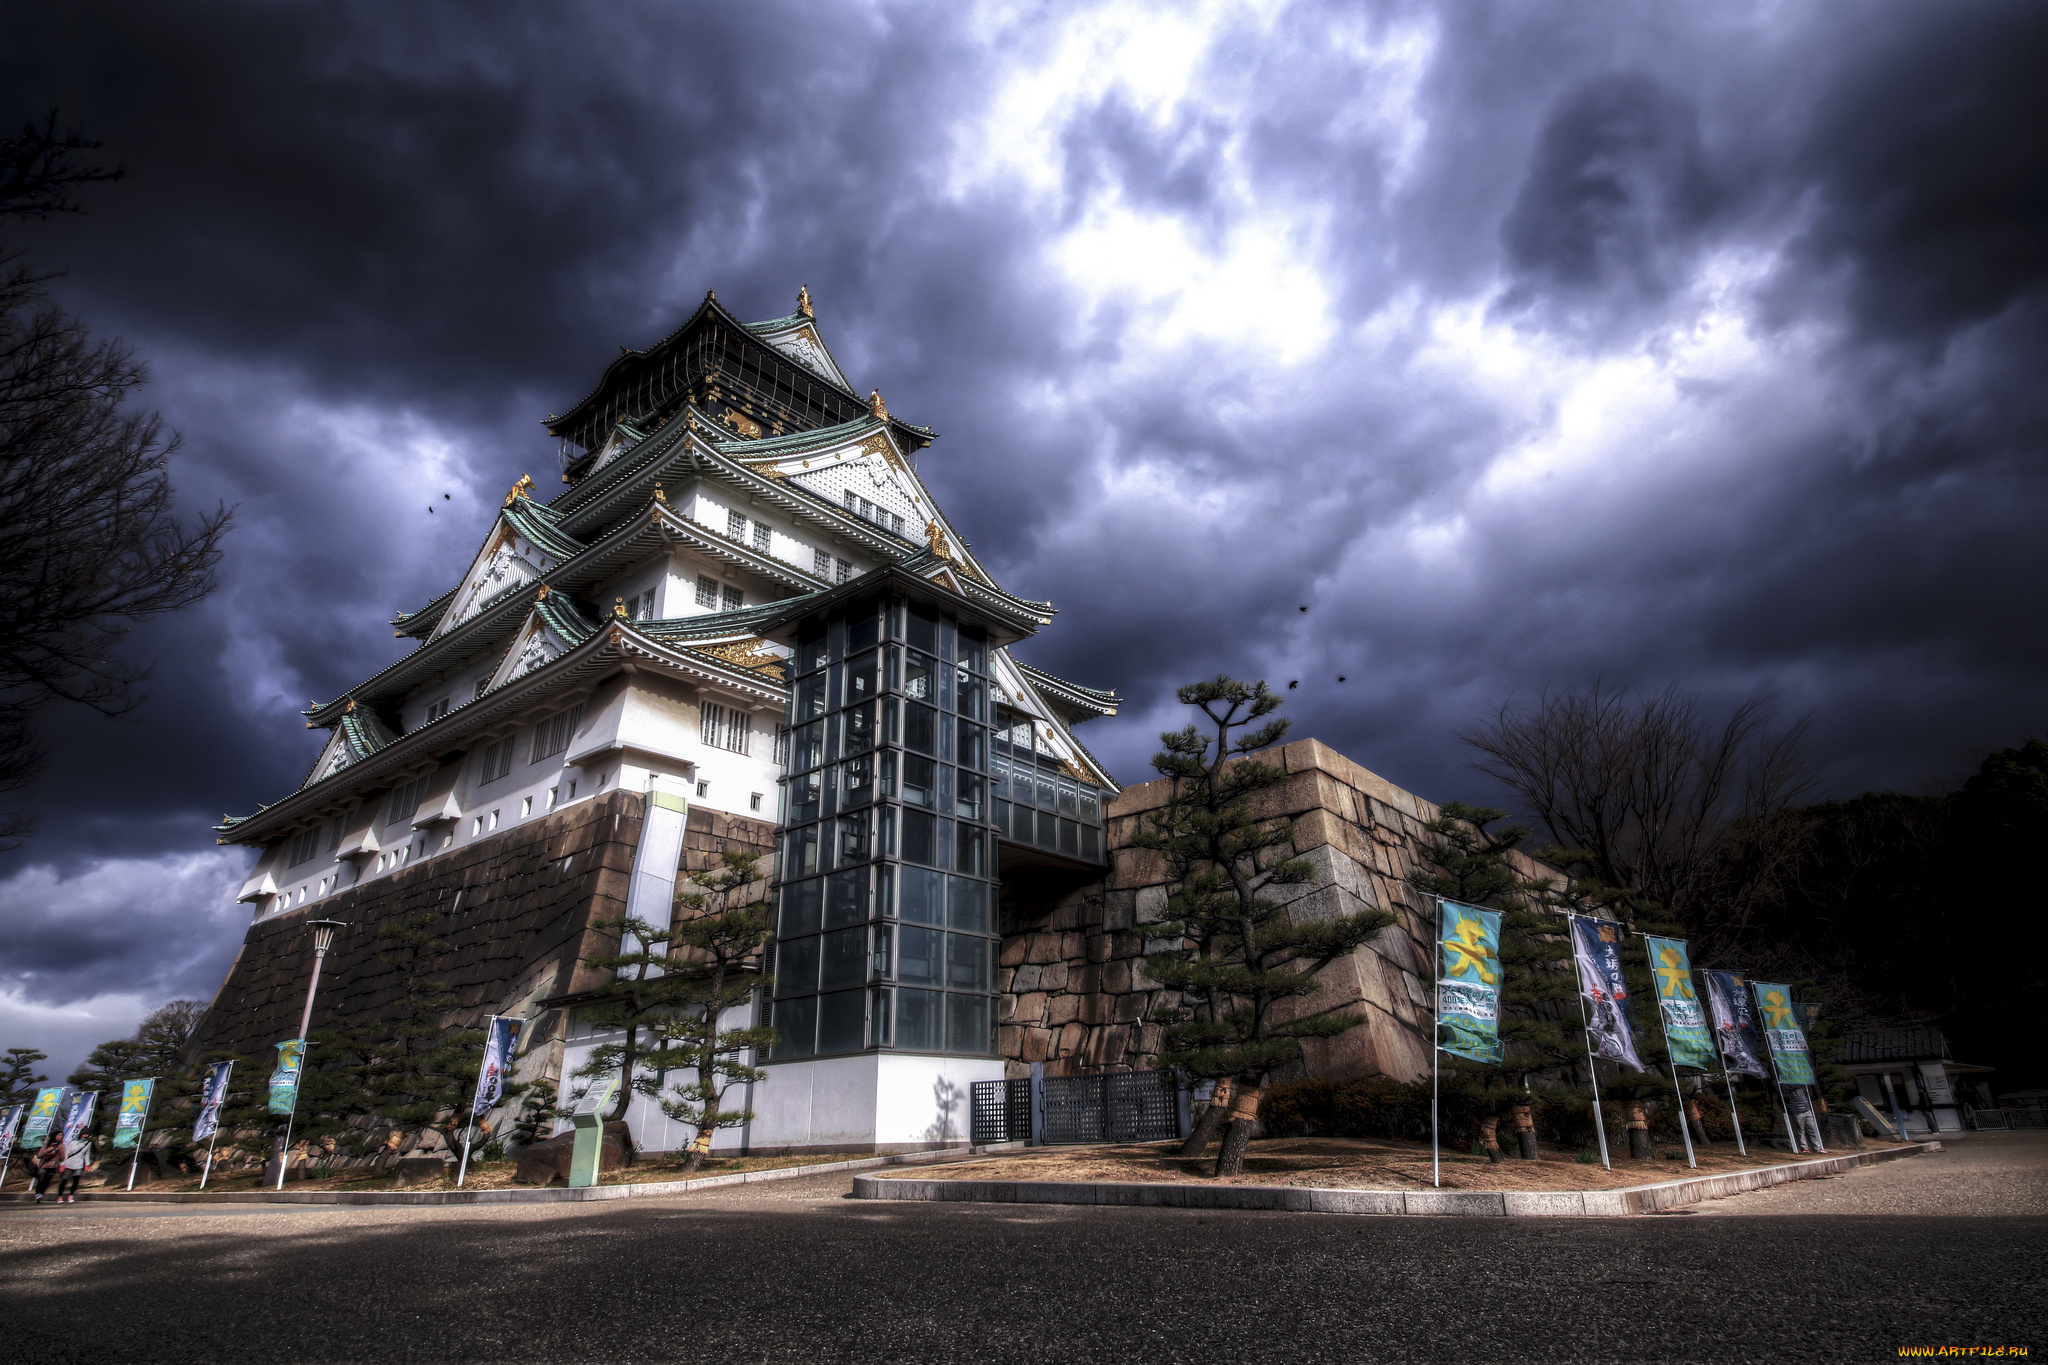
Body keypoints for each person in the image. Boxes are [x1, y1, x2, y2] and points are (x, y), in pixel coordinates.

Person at [56, 1126, 94, 1203]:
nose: (86, 1135)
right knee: (64, 1180)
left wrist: (87, 1165)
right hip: (69, 1163)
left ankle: (71, 1196)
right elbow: (67, 1153)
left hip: (79, 1164)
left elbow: (87, 1155)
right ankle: (60, 1196)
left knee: (76, 1181)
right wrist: (63, 1164)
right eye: (84, 1134)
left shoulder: (88, 1144)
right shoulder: (73, 1142)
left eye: (87, 1134)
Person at [30, 1132, 63, 1203]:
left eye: (61, 1135)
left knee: (46, 1182)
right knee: (41, 1180)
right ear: (55, 1136)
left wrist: (60, 1151)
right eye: (59, 1135)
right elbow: (39, 1155)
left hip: (53, 1166)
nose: (61, 1136)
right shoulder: (46, 1144)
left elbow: (62, 1157)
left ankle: (41, 1194)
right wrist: (49, 1150)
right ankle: (38, 1194)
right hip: (43, 1165)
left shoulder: (61, 1146)